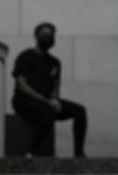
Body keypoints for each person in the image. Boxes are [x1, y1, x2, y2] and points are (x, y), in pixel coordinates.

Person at [11, 22, 87, 157]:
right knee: (48, 111)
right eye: (45, 34)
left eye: (51, 35)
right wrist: (47, 101)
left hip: (46, 102)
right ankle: (32, 152)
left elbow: (55, 87)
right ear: (36, 36)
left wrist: (55, 99)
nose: (48, 37)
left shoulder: (55, 62)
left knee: (80, 111)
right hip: (24, 102)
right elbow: (22, 85)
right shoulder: (25, 56)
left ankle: (78, 154)